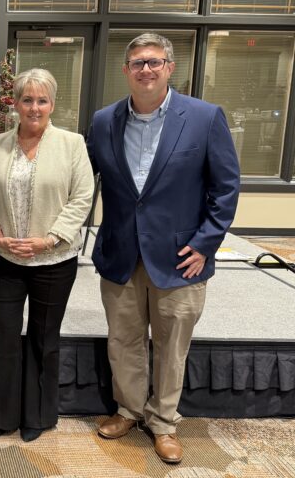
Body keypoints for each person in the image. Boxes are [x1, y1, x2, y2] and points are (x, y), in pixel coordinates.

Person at [86, 33, 240, 464]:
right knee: (124, 339)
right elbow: (81, 177)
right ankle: (128, 410)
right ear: (126, 70)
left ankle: (164, 421)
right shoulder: (103, 120)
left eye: (154, 61)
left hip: (180, 258)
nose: (146, 69)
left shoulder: (204, 118)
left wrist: (205, 243)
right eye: (137, 63)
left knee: (172, 346)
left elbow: (226, 187)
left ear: (170, 67)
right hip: (121, 253)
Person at [0, 68, 93, 442]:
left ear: (52, 104)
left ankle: (38, 416)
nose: (34, 107)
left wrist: (49, 240)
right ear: (15, 103)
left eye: (42, 100)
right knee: (5, 336)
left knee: (45, 337)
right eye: (27, 99)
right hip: (5, 258)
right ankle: (3, 415)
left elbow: (82, 198)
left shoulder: (72, 144)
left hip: (54, 260)